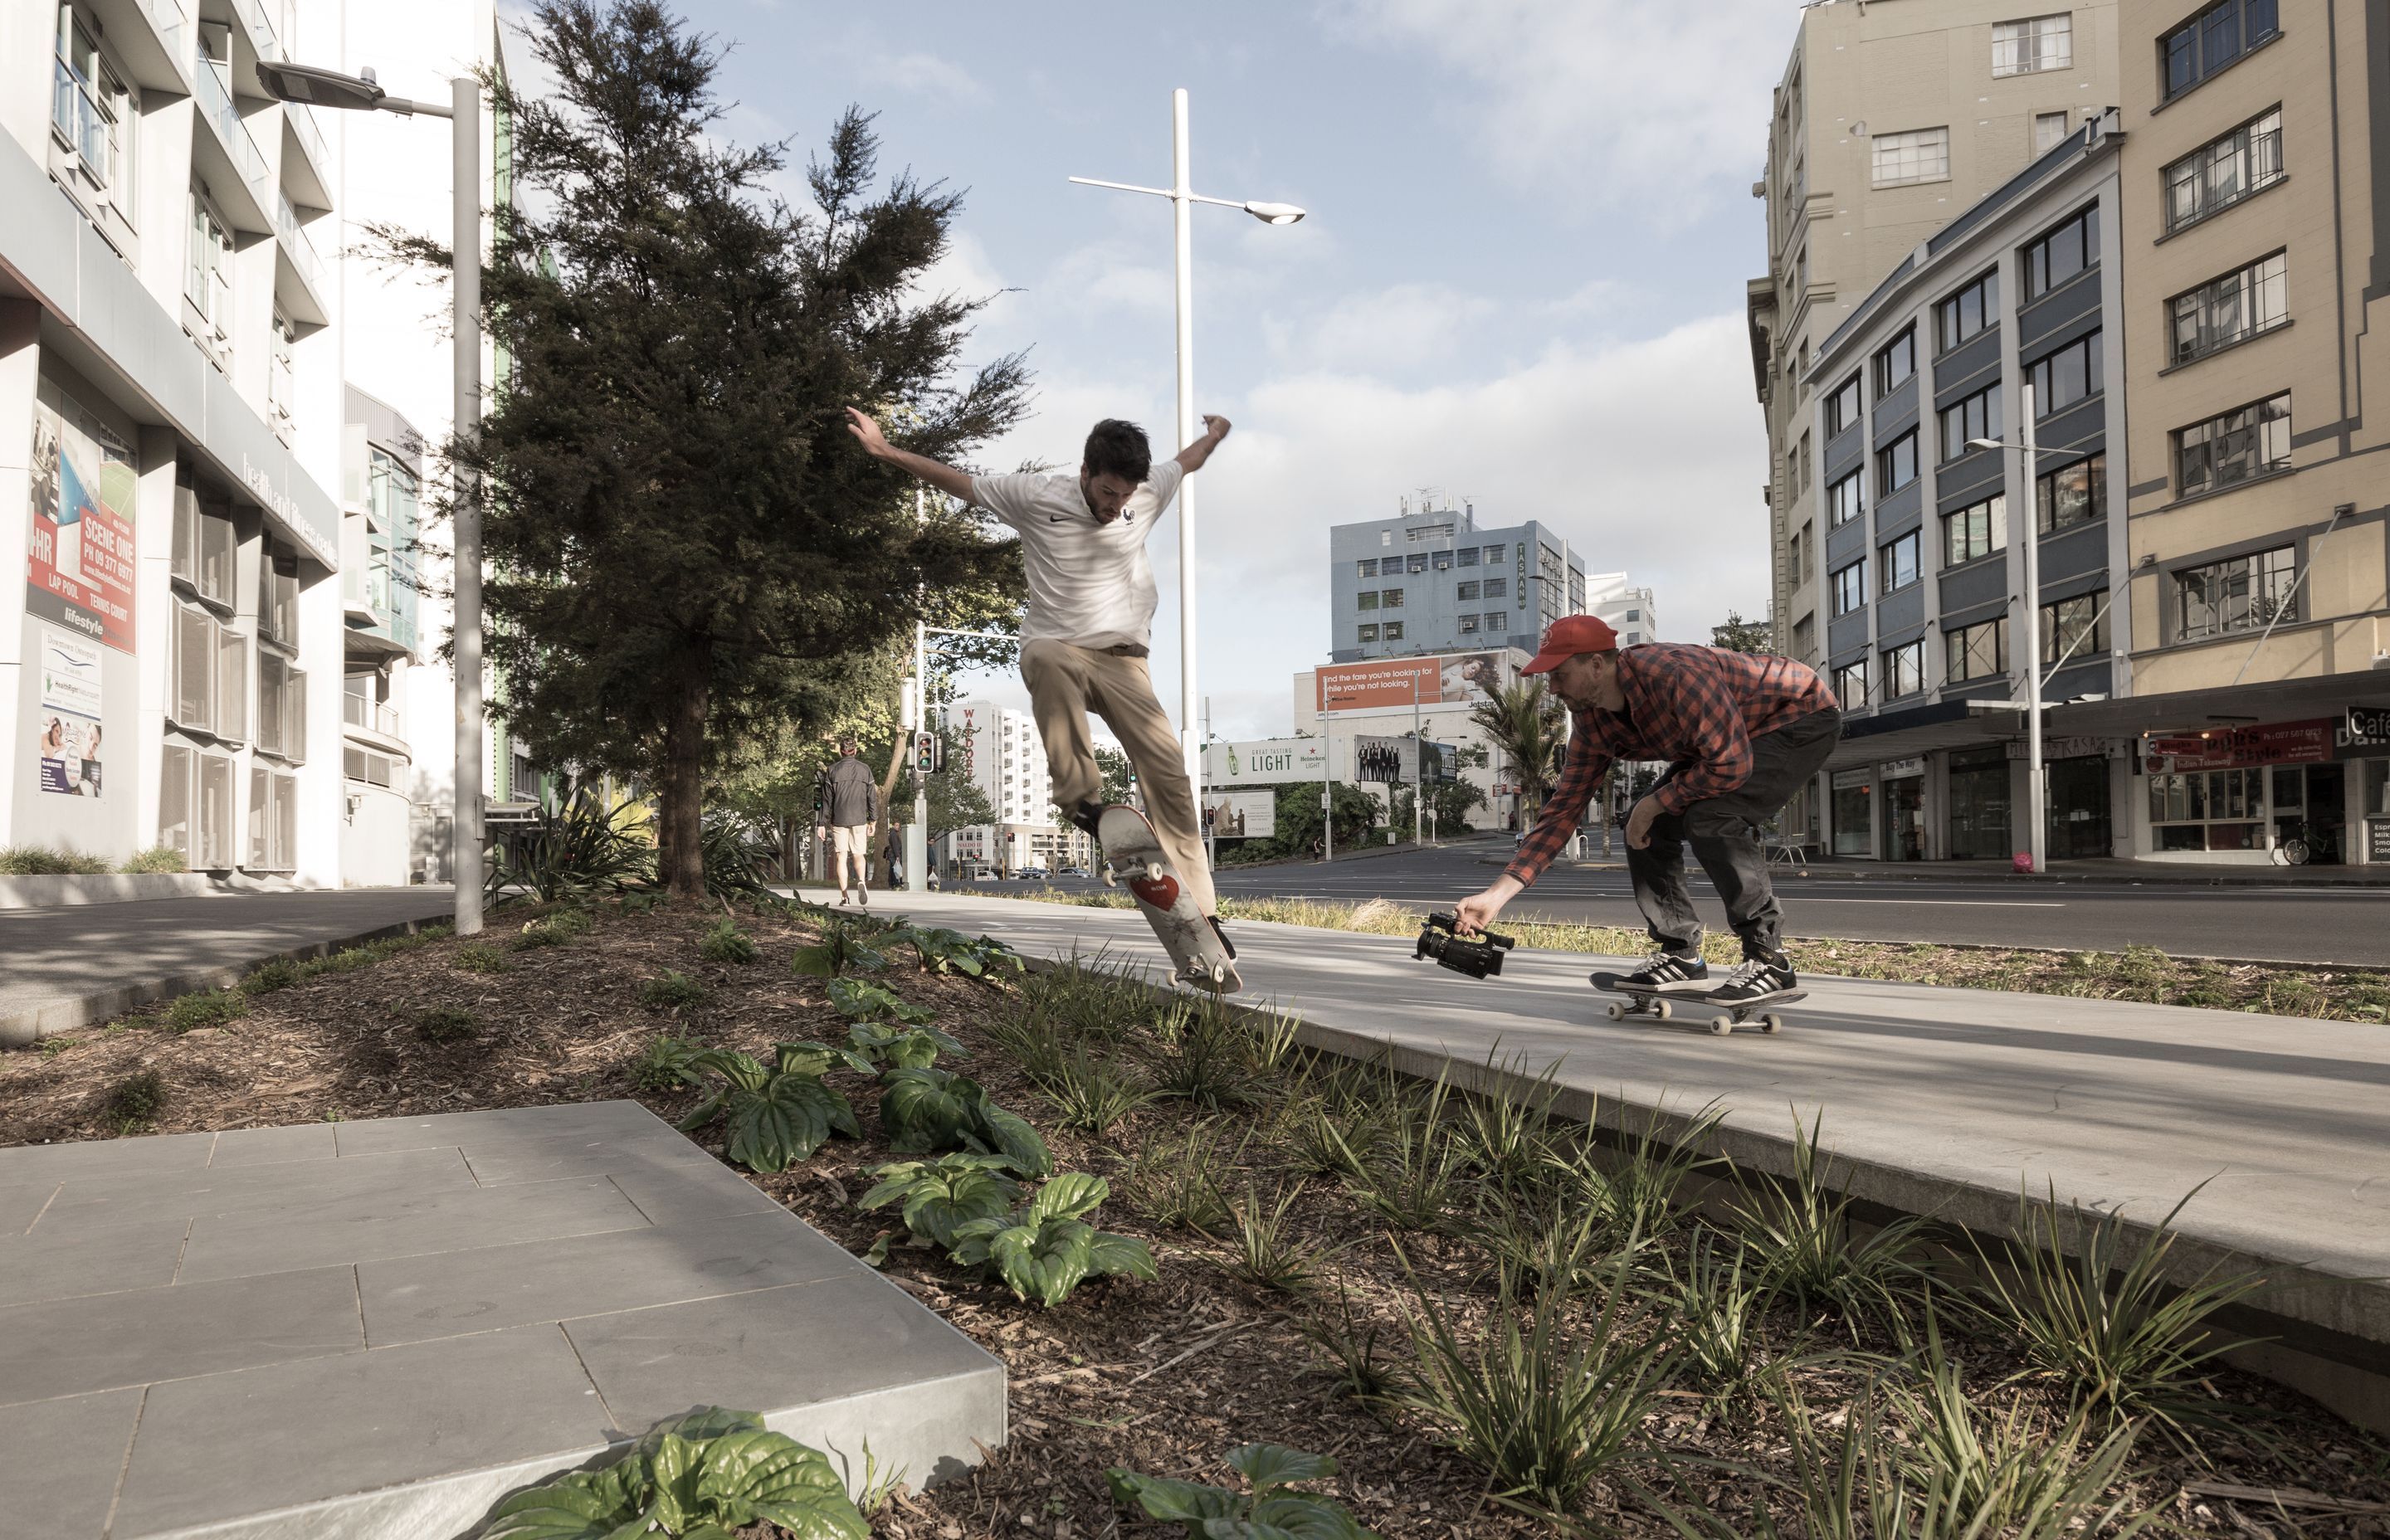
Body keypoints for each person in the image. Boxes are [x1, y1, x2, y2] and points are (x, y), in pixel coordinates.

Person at [845, 406, 1236, 956]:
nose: (1113, 505)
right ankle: (1081, 801)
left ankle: (1206, 917)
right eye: (1106, 492)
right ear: (1085, 472)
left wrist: (1215, 434)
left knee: (1170, 775)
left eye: (1123, 496)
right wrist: (887, 451)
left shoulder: (1146, 493)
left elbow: (1187, 461)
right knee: (1050, 659)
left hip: (1125, 661)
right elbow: (960, 482)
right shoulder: (1035, 495)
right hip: (1057, 647)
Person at [1454, 616, 1841, 1004]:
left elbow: (1731, 766)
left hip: (1797, 715)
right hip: (1728, 741)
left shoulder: (1674, 675)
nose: (1553, 688)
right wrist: (1495, 896)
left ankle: (1769, 960)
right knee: (1645, 828)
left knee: (1712, 816)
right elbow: (1563, 809)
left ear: (1595, 665)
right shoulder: (1591, 721)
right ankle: (1680, 955)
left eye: (1559, 674)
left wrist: (1654, 803)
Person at [814, 738, 880, 905]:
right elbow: (872, 798)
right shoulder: (865, 770)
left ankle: (845, 897)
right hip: (859, 819)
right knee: (859, 854)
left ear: (841, 751)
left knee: (841, 856)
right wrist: (873, 820)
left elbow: (826, 800)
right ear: (855, 751)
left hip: (839, 819)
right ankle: (861, 882)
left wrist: (821, 823)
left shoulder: (832, 771)